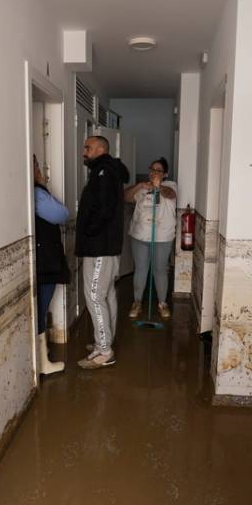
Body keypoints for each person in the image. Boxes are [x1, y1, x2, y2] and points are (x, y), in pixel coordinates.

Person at [74, 135, 130, 369]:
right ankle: (104, 340)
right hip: (105, 247)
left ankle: (104, 350)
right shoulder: (106, 171)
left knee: (95, 296)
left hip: (99, 247)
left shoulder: (104, 173)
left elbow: (104, 211)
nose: (84, 151)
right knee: (106, 294)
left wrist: (88, 232)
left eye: (87, 147)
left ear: (100, 148)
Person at [124, 157, 178, 319]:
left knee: (160, 269)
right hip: (140, 234)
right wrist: (140, 185)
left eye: (158, 170)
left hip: (162, 236)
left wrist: (158, 186)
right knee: (141, 269)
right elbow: (126, 198)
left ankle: (162, 303)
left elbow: (171, 194)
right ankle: (137, 302)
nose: (154, 172)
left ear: (165, 174)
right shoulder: (142, 187)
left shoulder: (170, 185)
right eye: (152, 169)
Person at [33, 155, 69, 375]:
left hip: (40, 260)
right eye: (37, 166)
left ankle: (42, 361)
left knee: (38, 310)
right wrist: (43, 185)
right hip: (44, 261)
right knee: (40, 310)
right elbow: (61, 214)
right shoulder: (36, 193)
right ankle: (43, 363)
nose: (40, 170)